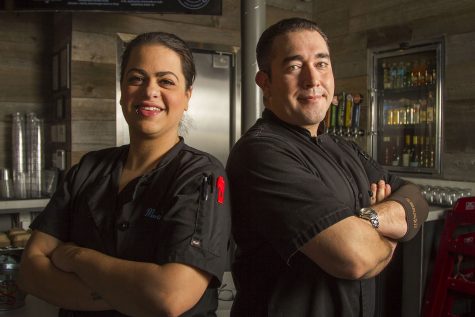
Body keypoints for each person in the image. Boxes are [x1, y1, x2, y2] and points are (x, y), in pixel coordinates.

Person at [226, 17, 429, 317]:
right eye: (294, 66)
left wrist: (368, 219)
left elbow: (416, 198)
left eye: (321, 64)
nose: (312, 80)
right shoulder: (260, 153)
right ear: (265, 83)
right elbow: (355, 258)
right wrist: (390, 233)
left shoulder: (342, 147)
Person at [18, 32, 231, 317]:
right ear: (122, 91)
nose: (149, 91)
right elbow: (30, 271)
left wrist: (77, 257)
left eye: (166, 81)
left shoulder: (201, 175)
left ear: (187, 96)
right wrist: (135, 293)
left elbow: (169, 296)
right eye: (136, 78)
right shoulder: (88, 168)